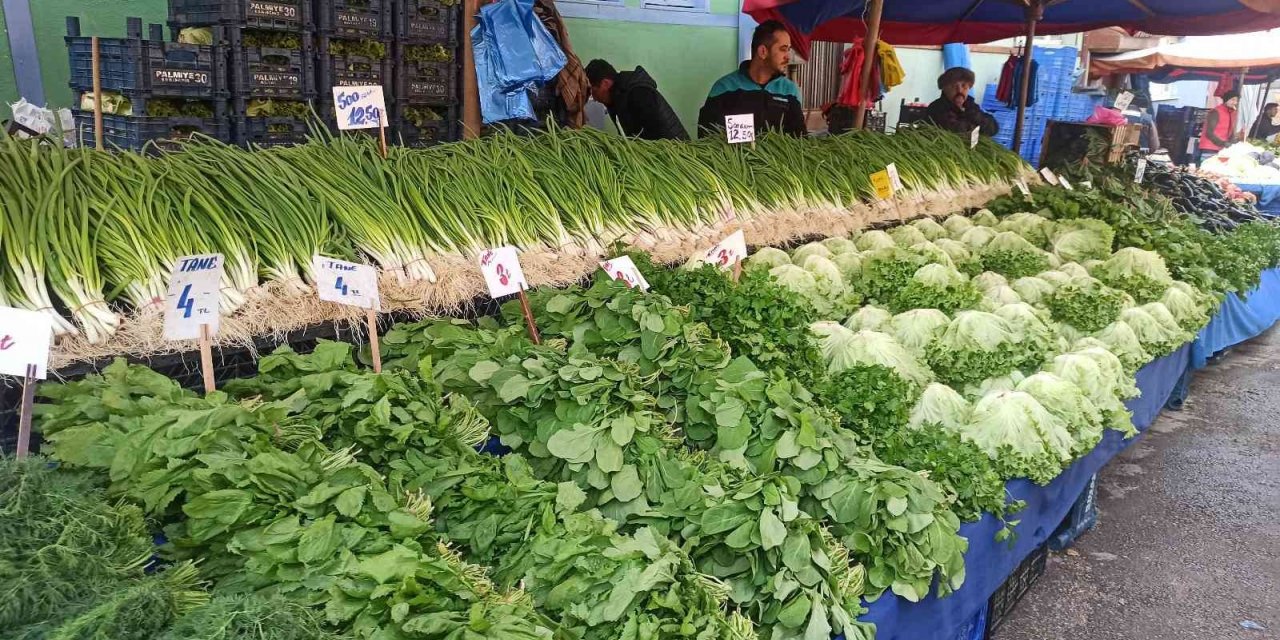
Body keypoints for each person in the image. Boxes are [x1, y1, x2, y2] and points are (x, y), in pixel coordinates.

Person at [697, 20, 805, 137]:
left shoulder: (790, 91)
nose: (788, 57)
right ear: (763, 51)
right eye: (783, 49)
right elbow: (706, 135)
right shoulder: (724, 87)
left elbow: (800, 138)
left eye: (789, 50)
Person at [584, 60, 688, 141]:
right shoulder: (617, 98)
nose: (594, 98)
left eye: (594, 91)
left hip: (676, 152)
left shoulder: (638, 93)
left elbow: (654, 136)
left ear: (605, 83)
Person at [925, 67, 998, 137]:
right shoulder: (937, 108)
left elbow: (993, 128)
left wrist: (974, 116)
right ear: (944, 88)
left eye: (964, 86)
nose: (959, 90)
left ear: (969, 87)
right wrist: (976, 126)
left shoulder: (971, 106)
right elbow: (956, 131)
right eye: (953, 86)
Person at [1199, 90, 1241, 163]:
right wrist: (1223, 143)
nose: (1235, 102)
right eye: (1232, 100)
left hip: (1222, 148)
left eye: (1236, 100)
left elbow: (1230, 130)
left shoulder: (1232, 113)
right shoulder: (1215, 112)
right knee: (1207, 167)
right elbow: (1209, 133)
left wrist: (1233, 140)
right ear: (1226, 100)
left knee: (1218, 169)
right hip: (1210, 147)